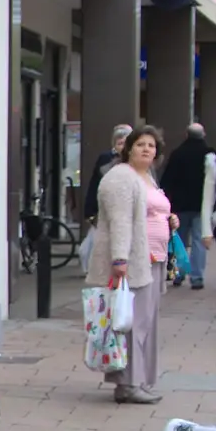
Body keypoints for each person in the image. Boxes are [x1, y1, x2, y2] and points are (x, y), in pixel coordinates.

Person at [87, 125, 171, 404]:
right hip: (133, 263)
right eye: (140, 145)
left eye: (152, 146)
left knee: (144, 324)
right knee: (131, 324)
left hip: (153, 259)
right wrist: (120, 259)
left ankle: (138, 380)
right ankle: (128, 383)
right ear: (127, 149)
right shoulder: (121, 178)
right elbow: (120, 221)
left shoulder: (146, 177)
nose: (147, 150)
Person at [162, 123, 209, 289]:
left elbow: (167, 180)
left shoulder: (177, 154)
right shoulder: (209, 154)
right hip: (202, 205)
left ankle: (177, 273)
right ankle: (197, 277)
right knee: (198, 240)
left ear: (186, 135)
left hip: (180, 205)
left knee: (178, 240)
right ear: (203, 135)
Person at [84, 123, 134, 224]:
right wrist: (90, 213)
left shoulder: (137, 160)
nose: (123, 148)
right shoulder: (106, 160)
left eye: (126, 143)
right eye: (120, 143)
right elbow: (95, 185)